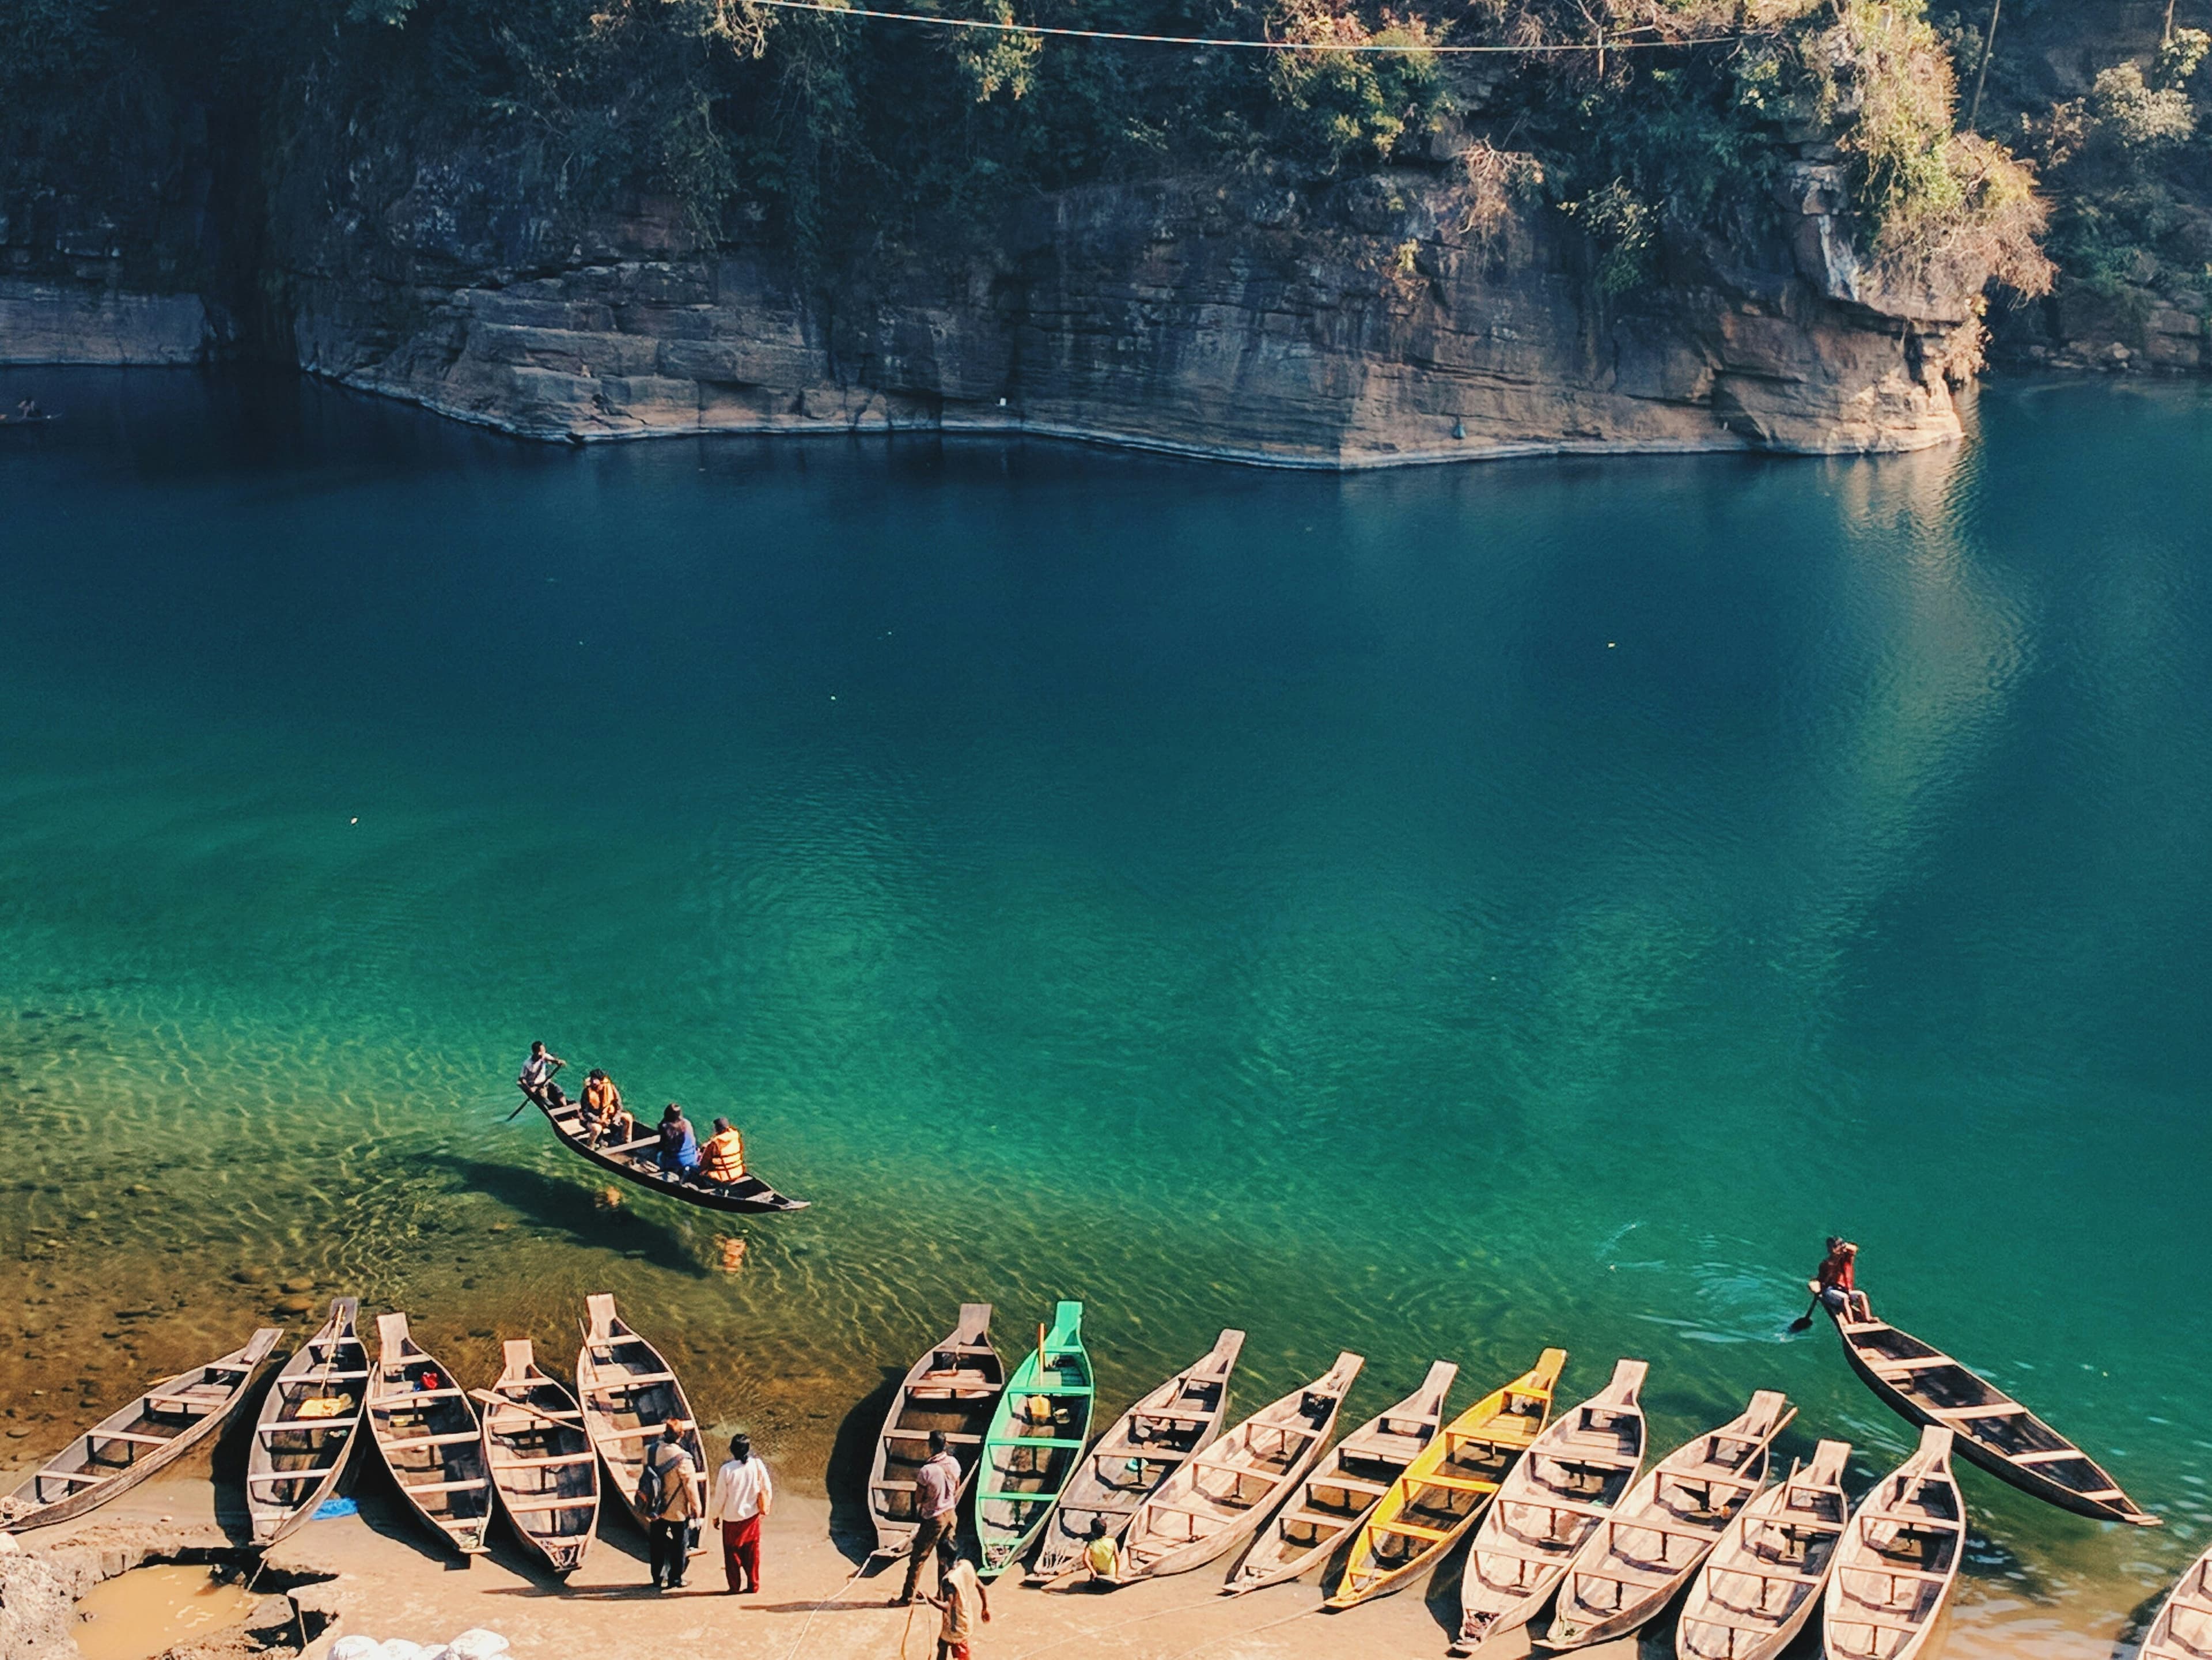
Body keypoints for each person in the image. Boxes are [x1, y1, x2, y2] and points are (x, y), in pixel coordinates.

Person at [899, 1430, 961, 1605]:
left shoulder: (926, 1471)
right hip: (951, 1514)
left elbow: (918, 1498)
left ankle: (906, 1598)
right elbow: (956, 1487)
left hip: (934, 1518)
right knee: (945, 1557)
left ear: (931, 1446)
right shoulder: (954, 1463)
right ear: (945, 1444)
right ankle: (943, 1594)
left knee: (918, 1559)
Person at [706, 1432, 772, 1594]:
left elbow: (720, 1497)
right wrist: (765, 1507)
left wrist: (715, 1516)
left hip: (731, 1518)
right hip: (751, 1517)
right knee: (752, 1553)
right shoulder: (757, 1465)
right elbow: (767, 1488)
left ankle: (734, 1587)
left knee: (732, 1555)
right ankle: (753, 1585)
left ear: (732, 1450)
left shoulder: (726, 1470)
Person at [640, 1420, 700, 1590]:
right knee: (680, 1544)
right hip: (677, 1510)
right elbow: (690, 1487)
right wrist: (697, 1508)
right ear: (681, 1436)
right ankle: (676, 1578)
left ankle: (657, 1578)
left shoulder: (650, 1451)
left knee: (657, 1544)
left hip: (655, 1507)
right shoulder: (684, 1459)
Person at [924, 1554, 989, 1660]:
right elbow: (981, 1588)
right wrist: (985, 1608)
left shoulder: (949, 1581)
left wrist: (929, 1598)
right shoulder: (966, 1566)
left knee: (958, 1650)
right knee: (943, 1644)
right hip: (965, 1617)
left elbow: (947, 1607)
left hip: (955, 1624)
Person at [1814, 1238, 1873, 1322]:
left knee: (1862, 1295)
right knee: (1845, 1298)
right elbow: (1821, 1281)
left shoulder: (1846, 1260)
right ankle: (1851, 1322)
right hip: (1831, 1292)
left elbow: (1854, 1249)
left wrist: (1843, 1245)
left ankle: (1868, 1318)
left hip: (1845, 1291)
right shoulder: (1826, 1264)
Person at [582, 1068, 631, 1146]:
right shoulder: (587, 1092)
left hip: (609, 1116)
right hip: (594, 1119)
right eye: (592, 1079)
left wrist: (616, 1118)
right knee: (597, 1129)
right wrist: (600, 1121)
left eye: (595, 1079)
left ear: (601, 1081)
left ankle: (626, 1141)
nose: (593, 1082)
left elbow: (618, 1105)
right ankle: (590, 1146)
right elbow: (586, 1113)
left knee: (628, 1117)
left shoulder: (611, 1088)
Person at [518, 1042, 566, 1109]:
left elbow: (552, 1060)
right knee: (545, 1099)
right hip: (535, 1087)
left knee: (558, 1089)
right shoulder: (527, 1064)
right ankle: (552, 1107)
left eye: (544, 1051)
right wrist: (530, 1089)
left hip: (545, 1082)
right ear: (535, 1052)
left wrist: (558, 1062)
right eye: (541, 1052)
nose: (543, 1053)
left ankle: (564, 1105)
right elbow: (522, 1079)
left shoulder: (544, 1056)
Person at [699, 1117, 746, 1184]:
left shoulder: (715, 1143)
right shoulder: (735, 1137)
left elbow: (704, 1162)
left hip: (722, 1177)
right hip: (738, 1172)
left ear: (717, 1129)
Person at [657, 1103, 700, 1177]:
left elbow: (663, 1147)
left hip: (675, 1162)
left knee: (659, 1156)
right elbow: (693, 1141)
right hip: (692, 1159)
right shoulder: (687, 1123)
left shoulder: (666, 1127)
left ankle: (664, 1172)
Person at [1080, 1515, 1118, 1584]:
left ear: (1092, 1531)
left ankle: (1094, 1577)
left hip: (1098, 1573)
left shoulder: (1091, 1544)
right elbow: (1117, 1558)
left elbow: (1085, 1560)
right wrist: (1117, 1575)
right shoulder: (1112, 1542)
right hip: (1111, 1573)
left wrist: (1094, 1572)